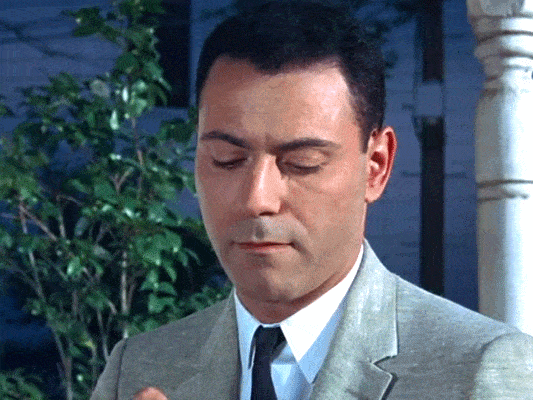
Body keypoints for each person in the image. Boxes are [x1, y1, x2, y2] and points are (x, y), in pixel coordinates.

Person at [91, 2, 533, 399]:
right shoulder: (139, 368)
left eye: (302, 163)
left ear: (376, 166)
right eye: (227, 159)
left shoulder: (478, 371)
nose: (257, 199)